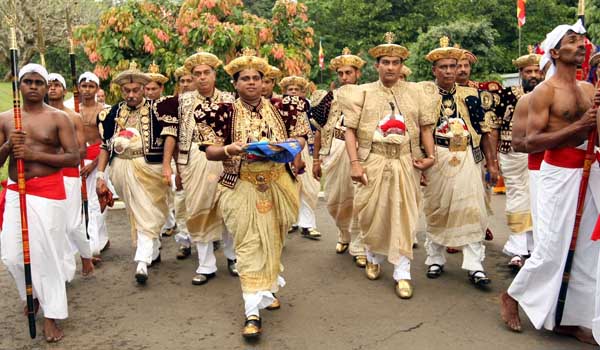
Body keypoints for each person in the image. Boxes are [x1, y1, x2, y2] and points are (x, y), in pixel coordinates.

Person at [189, 49, 309, 338]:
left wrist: (290, 146)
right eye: (245, 79)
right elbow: (210, 152)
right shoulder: (219, 112)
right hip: (241, 185)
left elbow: (302, 136)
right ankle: (252, 310)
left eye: (257, 78)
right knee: (248, 245)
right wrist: (229, 149)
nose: (252, 83)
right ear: (235, 83)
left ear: (265, 81)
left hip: (280, 183)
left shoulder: (286, 107)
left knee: (275, 238)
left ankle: (268, 287)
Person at [501, 21, 600, 345]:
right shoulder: (543, 92)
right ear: (555, 52)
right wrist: (580, 127)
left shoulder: (589, 90)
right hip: (558, 175)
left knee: (587, 252)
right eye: (572, 41)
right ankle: (513, 296)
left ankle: (570, 319)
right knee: (550, 249)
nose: (581, 44)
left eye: (582, 40)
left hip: (590, 173)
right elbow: (529, 142)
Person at [339, 32, 434, 298]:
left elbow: (426, 127)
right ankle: (372, 257)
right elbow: (350, 132)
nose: (391, 67)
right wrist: (355, 163)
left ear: (402, 66)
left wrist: (431, 156)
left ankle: (402, 272)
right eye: (386, 62)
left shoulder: (417, 92)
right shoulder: (363, 92)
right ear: (376, 65)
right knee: (371, 214)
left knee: (405, 214)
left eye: (395, 62)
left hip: (406, 159)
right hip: (373, 160)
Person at [0, 63, 80, 342]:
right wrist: (10, 146)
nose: (33, 86)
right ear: (19, 85)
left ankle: (52, 315)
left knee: (47, 256)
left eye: (38, 82)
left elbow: (73, 158)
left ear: (46, 87)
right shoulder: (7, 118)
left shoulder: (59, 118)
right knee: (11, 255)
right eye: (28, 81)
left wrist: (33, 154)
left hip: (48, 192)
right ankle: (31, 293)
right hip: (15, 191)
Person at [420, 36, 499, 288]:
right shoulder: (425, 94)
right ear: (434, 70)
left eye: (453, 66)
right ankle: (435, 258)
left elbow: (485, 130)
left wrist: (493, 163)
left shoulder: (471, 94)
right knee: (438, 208)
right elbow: (417, 132)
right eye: (443, 67)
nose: (449, 71)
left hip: (468, 156)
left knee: (472, 210)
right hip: (437, 158)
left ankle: (474, 265)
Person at [156, 51, 238, 285]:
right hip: (193, 159)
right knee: (198, 209)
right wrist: (170, 167)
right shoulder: (181, 102)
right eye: (197, 74)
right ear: (191, 78)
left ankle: (233, 258)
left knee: (228, 208)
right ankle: (206, 264)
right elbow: (171, 135)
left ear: (214, 75)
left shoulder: (229, 99)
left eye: (206, 73)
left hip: (226, 157)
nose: (202, 78)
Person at [95, 62, 170, 284]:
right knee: (138, 212)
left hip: (151, 169)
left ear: (144, 89)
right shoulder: (112, 113)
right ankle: (152, 250)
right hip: (122, 169)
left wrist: (170, 167)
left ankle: (142, 261)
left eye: (135, 90)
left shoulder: (158, 110)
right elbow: (104, 146)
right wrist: (100, 176)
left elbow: (170, 140)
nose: (131, 94)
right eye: (126, 91)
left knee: (149, 210)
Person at [310, 48, 367, 266]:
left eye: (348, 73)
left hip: (360, 152)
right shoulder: (328, 98)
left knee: (360, 199)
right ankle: (344, 234)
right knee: (334, 201)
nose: (344, 77)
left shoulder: (366, 96)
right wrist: (315, 160)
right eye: (341, 73)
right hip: (333, 151)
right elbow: (318, 130)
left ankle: (359, 245)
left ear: (357, 74)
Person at [494, 51, 541, 269]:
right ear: (520, 73)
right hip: (510, 151)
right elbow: (494, 126)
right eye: (529, 71)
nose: (533, 75)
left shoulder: (545, 93)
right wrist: (492, 158)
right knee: (516, 195)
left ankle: (532, 246)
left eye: (537, 71)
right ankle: (517, 247)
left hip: (538, 152)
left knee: (536, 197)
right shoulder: (507, 94)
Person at [46, 72, 94, 277]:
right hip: (46, 175)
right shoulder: (39, 116)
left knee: (72, 224)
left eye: (57, 85)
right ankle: (63, 271)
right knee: (55, 225)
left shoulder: (73, 117)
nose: (52, 88)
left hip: (68, 173)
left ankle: (86, 256)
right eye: (49, 85)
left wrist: (59, 155)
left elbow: (81, 150)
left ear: (64, 90)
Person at [280, 75, 322, 240]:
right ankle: (292, 221)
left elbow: (319, 130)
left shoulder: (310, 108)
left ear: (303, 92)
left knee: (310, 188)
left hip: (309, 151)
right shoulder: (279, 108)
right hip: (287, 150)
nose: (294, 92)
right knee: (290, 186)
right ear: (285, 92)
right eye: (290, 89)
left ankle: (308, 225)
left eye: (297, 89)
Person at [78, 71, 111, 258]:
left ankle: (94, 248)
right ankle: (101, 239)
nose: (87, 90)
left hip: (99, 158)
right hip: (79, 159)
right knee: (83, 202)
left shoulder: (104, 111)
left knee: (95, 200)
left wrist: (94, 164)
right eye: (84, 86)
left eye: (91, 86)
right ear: (79, 88)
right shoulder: (73, 109)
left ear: (97, 89)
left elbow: (109, 140)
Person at [144, 62, 178, 238]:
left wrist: (168, 162)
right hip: (148, 158)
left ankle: (182, 230)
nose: (149, 92)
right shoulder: (140, 106)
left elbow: (171, 133)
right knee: (154, 194)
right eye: (147, 89)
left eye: (153, 89)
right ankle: (166, 224)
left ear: (161, 88)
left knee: (175, 192)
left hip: (169, 155)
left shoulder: (168, 104)